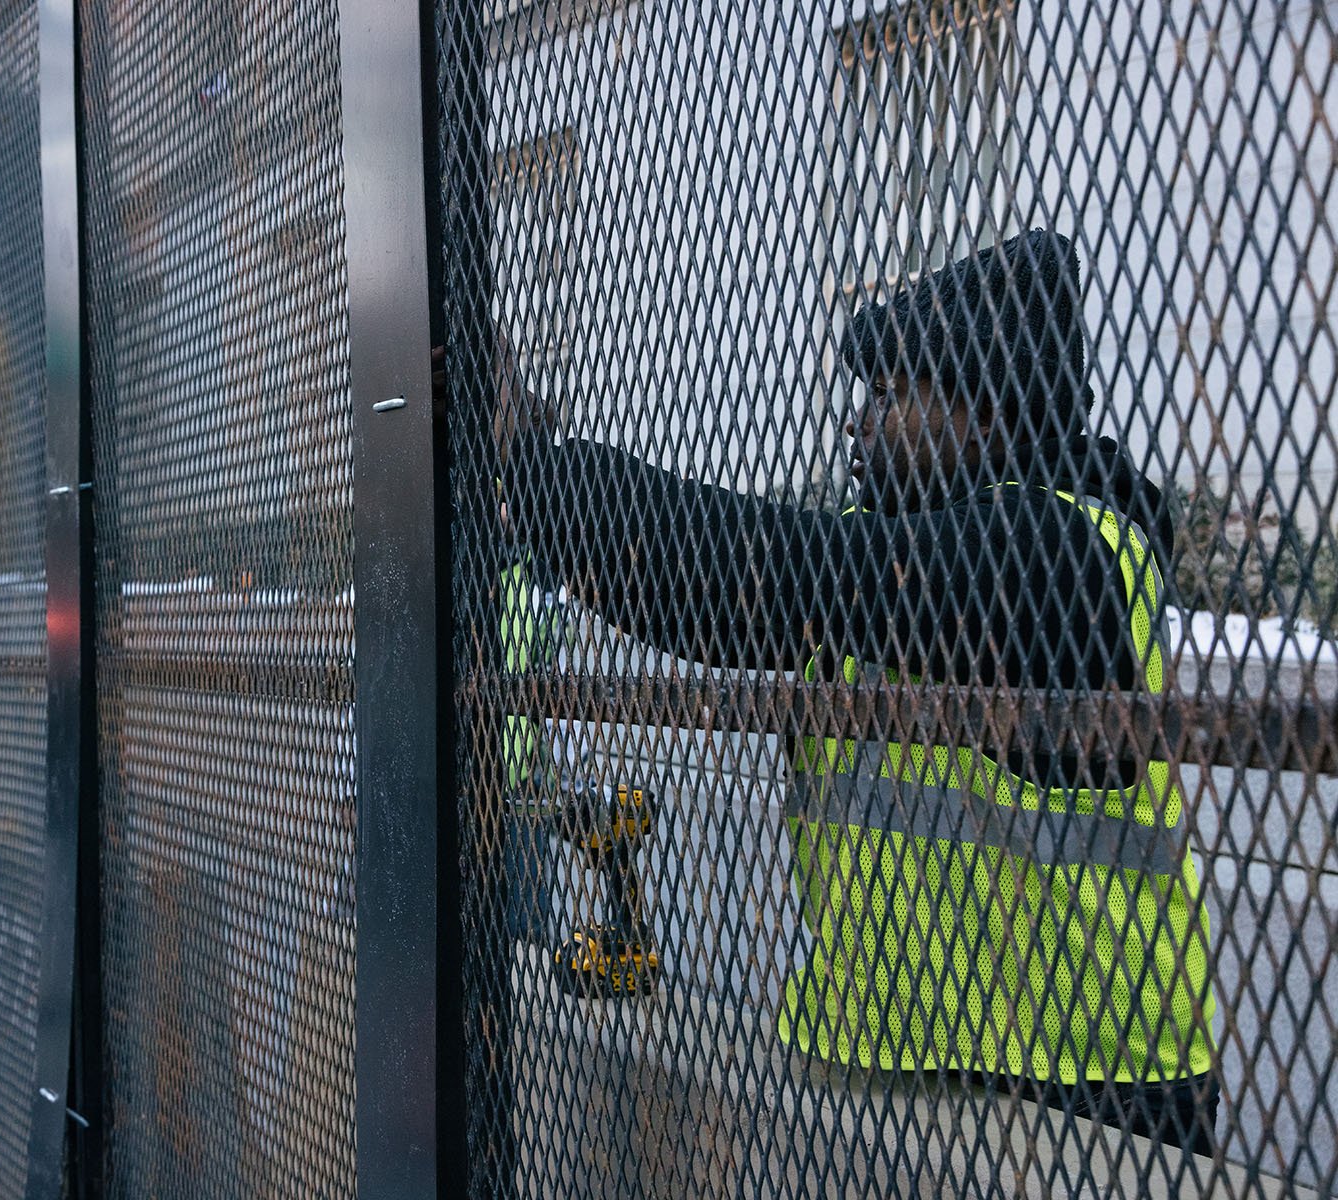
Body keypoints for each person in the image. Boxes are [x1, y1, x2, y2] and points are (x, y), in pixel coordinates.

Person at [487, 230, 1219, 1154]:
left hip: (1092, 1086)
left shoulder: (1066, 550)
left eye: (891, 395)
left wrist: (531, 461)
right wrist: (521, 455)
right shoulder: (877, 543)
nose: (856, 422)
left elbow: (790, 572)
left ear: (987, 414)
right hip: (895, 1071)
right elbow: (702, 594)